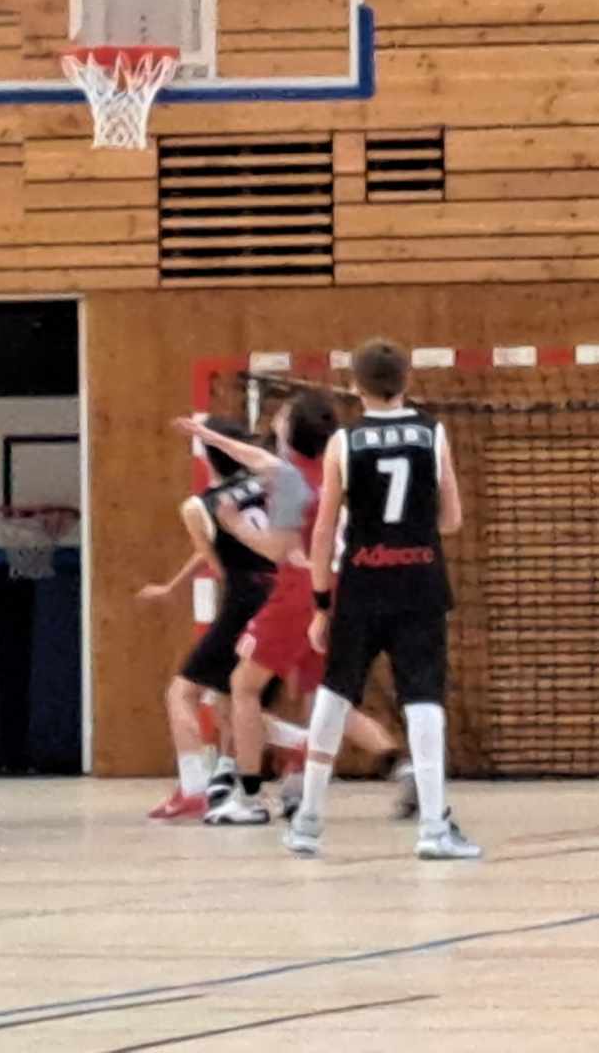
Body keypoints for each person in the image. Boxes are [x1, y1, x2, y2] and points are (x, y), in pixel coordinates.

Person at [288, 339, 480, 861]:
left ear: (355, 385)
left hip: (362, 584)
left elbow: (324, 530)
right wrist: (414, 528)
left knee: (335, 694)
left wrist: (321, 603)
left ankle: (308, 820)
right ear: (407, 380)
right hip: (420, 582)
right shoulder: (432, 433)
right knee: (423, 699)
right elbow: (452, 519)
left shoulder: (343, 443)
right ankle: (434, 827)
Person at [186, 401, 412, 828]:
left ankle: (249, 797)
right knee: (322, 698)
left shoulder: (290, 481)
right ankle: (399, 766)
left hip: (298, 594)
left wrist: (235, 526)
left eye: (282, 415)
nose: (276, 419)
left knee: (242, 687)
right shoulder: (329, 469)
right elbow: (259, 459)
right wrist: (212, 437)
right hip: (338, 590)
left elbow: (276, 549)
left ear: (289, 431)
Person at [136, 418, 275, 820]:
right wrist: (173, 585)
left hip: (244, 596)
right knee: (238, 696)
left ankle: (194, 788)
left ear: (206, 456)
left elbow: (216, 563)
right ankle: (244, 777)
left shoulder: (198, 506)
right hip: (282, 593)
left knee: (183, 692)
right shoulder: (269, 480)